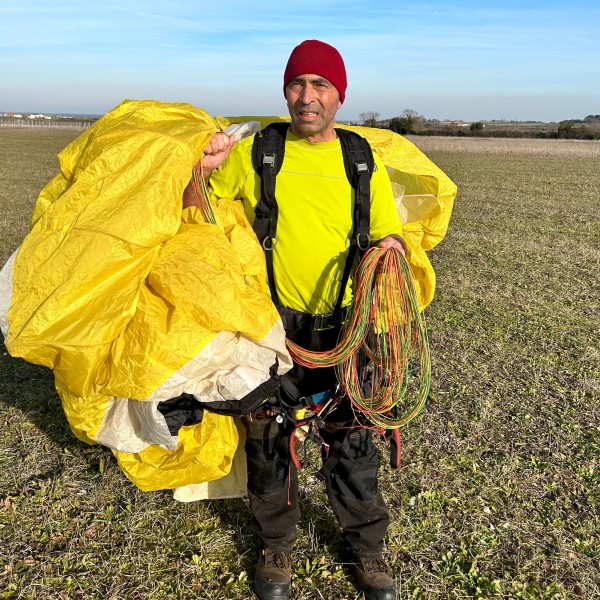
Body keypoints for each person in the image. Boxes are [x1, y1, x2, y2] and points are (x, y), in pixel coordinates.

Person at [183, 39, 405, 600]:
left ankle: (369, 550)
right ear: (286, 90)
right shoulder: (257, 152)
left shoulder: (359, 159)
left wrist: (392, 251)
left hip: (346, 325)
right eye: (298, 84)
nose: (308, 97)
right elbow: (196, 210)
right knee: (267, 433)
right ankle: (277, 544)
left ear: (340, 95)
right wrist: (200, 169)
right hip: (271, 325)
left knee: (351, 434)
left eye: (321, 85)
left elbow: (387, 231)